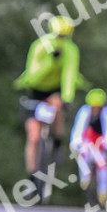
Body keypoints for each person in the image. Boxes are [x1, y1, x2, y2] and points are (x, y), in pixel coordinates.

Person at [13, 15, 82, 180]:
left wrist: (67, 98)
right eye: (59, 36)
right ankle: (31, 177)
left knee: (57, 105)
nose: (61, 41)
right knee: (34, 137)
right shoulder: (39, 46)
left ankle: (57, 142)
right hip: (35, 91)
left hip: (55, 90)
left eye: (64, 37)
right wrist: (51, 62)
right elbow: (33, 76)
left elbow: (69, 75)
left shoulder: (71, 50)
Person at [70, 87, 107, 205]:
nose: (95, 110)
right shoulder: (84, 111)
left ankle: (103, 191)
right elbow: (78, 128)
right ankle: (85, 177)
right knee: (83, 156)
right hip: (87, 141)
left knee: (103, 164)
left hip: (100, 142)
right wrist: (76, 142)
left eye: (97, 107)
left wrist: (106, 144)